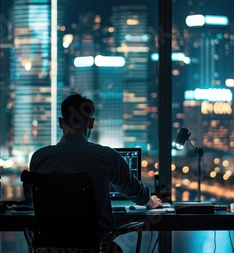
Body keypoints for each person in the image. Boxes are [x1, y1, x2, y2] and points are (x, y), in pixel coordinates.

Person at [29, 92, 162, 247]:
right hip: (96, 246)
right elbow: (133, 190)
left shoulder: (39, 157)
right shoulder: (106, 156)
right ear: (91, 123)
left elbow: (34, 201)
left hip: (50, 247)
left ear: (61, 122)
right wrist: (150, 201)